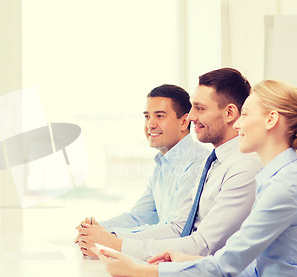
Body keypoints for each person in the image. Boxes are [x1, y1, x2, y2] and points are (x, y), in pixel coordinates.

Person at [92, 80, 297, 277]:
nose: (238, 124)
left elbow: (226, 266)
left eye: (246, 114)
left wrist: (140, 269)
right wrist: (183, 262)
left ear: (270, 120)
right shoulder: (277, 178)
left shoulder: (285, 187)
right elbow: (259, 269)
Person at [78, 68, 262, 260]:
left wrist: (115, 243)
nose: (190, 117)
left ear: (230, 113)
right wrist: (103, 235)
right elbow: (177, 228)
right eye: (147, 116)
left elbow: (201, 245)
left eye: (199, 108)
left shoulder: (243, 166)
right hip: (193, 271)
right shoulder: (212, 164)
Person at [74, 84, 209, 255]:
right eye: (147, 117)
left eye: (159, 116)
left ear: (184, 122)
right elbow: (139, 216)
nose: (150, 124)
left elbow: (178, 231)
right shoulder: (163, 163)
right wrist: (95, 229)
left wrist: (110, 238)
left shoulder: (197, 162)